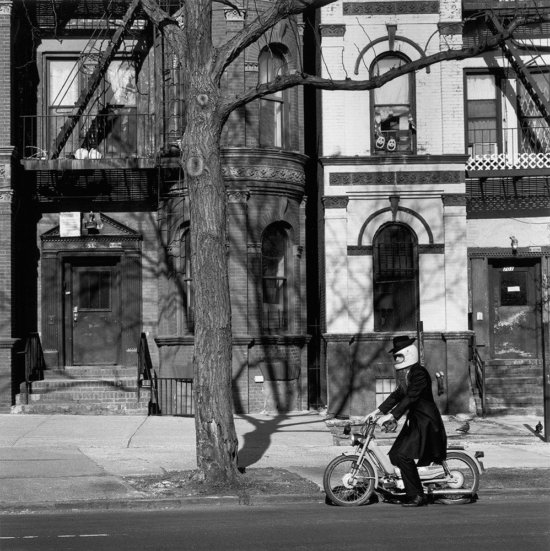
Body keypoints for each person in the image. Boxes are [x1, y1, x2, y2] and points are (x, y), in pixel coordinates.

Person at [365, 335, 447, 507]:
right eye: (395, 356)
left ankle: (417, 496)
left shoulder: (419, 373)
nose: (396, 359)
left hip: (426, 422)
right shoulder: (406, 374)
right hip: (415, 421)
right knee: (395, 454)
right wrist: (377, 411)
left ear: (409, 353)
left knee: (403, 455)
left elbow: (411, 397)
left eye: (399, 356)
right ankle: (403, 487)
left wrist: (393, 415)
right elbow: (397, 395)